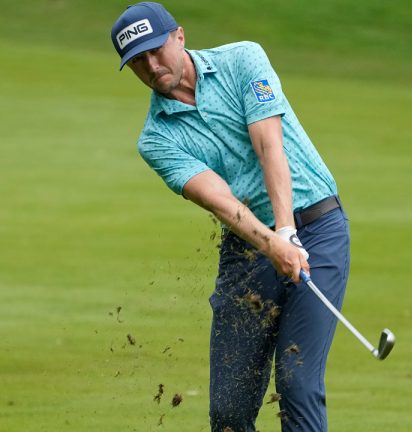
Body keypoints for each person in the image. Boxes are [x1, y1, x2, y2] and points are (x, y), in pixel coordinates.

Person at [110, 3, 350, 431]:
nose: (151, 65)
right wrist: (273, 240)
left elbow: (269, 145)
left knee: (297, 383)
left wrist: (288, 231)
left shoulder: (243, 58)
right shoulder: (157, 139)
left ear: (179, 37)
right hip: (248, 252)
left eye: (156, 49)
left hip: (317, 228)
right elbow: (220, 201)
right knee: (229, 411)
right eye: (137, 61)